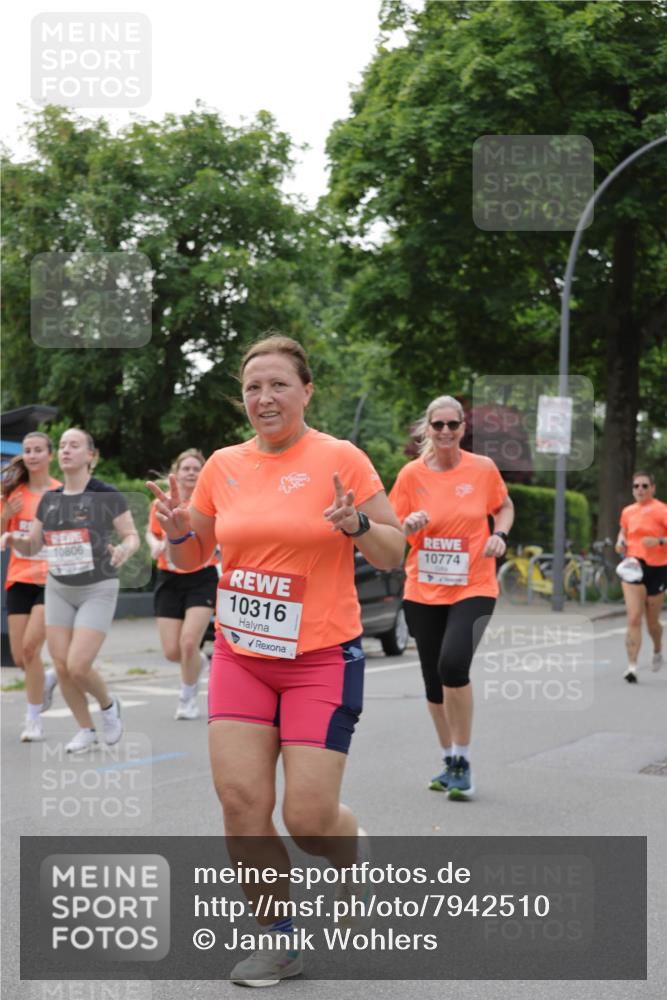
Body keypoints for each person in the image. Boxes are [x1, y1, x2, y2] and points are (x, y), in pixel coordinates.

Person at [147, 334, 404, 987]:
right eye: (253, 386)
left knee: (308, 821)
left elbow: (393, 551)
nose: (264, 397)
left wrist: (355, 528)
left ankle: (350, 853)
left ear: (306, 390)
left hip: (321, 655)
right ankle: (279, 941)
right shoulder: (222, 467)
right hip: (241, 653)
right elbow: (189, 558)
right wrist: (179, 532)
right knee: (240, 801)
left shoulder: (340, 458)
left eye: (278, 385)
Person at [389, 395, 514, 800]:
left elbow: (504, 506)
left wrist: (499, 534)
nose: (445, 432)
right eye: (437, 425)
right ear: (427, 428)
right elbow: (392, 530)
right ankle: (449, 760)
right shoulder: (410, 475)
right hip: (422, 589)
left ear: (463, 428)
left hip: (474, 585)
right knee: (432, 680)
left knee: (453, 663)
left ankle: (463, 757)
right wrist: (408, 524)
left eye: (452, 425)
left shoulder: (482, 469)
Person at [1, 429, 139, 752]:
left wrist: (124, 550)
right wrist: (13, 540)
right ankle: (85, 729)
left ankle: (108, 705)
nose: (65, 450)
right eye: (62, 445)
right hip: (59, 587)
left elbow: (132, 535)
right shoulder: (50, 500)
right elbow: (34, 543)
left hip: (96, 588)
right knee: (61, 665)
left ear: (91, 455)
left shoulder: (107, 495)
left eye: (74, 445)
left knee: (78, 664)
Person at [145, 449, 217, 719]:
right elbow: (152, 533)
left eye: (196, 468)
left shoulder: (208, 504)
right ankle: (200, 663)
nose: (191, 473)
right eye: (185, 468)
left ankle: (187, 698)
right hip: (169, 578)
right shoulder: (162, 502)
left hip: (202, 578)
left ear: (203, 474)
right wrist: (155, 546)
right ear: (176, 472)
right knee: (172, 652)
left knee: (189, 643)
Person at [0, 432, 61, 741]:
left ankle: (33, 720)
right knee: (21, 657)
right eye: (28, 450)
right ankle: (47, 680)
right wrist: (6, 516)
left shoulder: (60, 492)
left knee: (30, 647)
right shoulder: (13, 494)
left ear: (50, 455)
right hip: (18, 578)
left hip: (51, 579)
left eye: (39, 450)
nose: (33, 455)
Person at [615, 471, 667, 683]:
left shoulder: (662, 510)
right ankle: (632, 667)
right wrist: (620, 541)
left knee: (652, 622)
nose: (640, 490)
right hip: (633, 567)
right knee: (634, 617)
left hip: (658, 568)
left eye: (645, 486)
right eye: (636, 486)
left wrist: (660, 541)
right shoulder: (628, 511)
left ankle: (657, 648)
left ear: (653, 488)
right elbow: (623, 532)